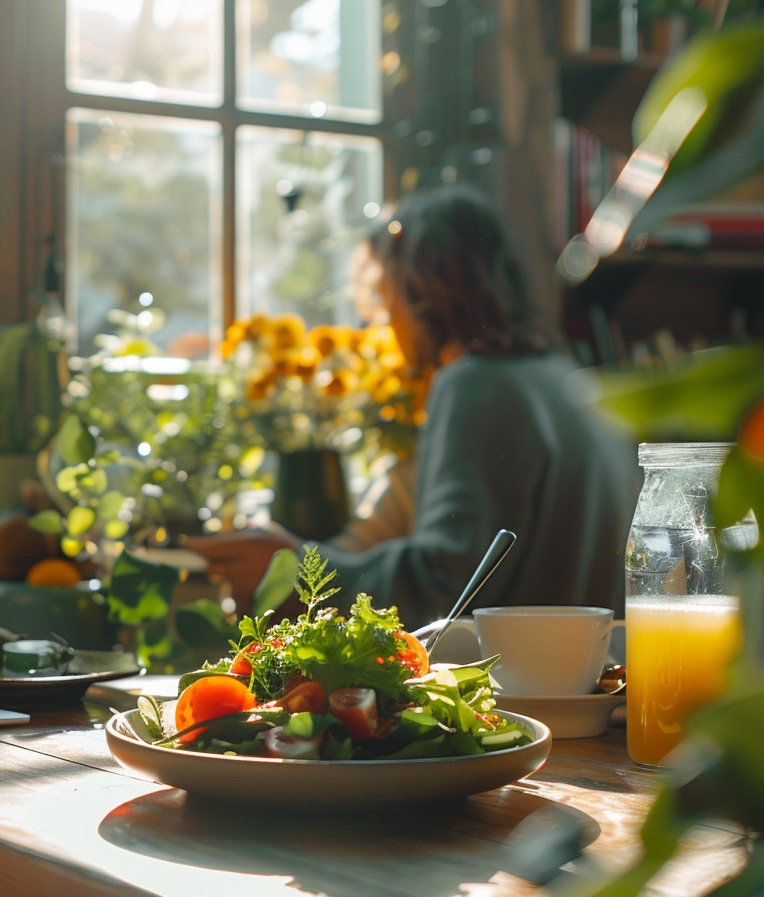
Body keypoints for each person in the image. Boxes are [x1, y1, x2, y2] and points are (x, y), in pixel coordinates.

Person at [187, 184, 640, 630]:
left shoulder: (476, 383)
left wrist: (294, 572)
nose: (384, 318)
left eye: (388, 293)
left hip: (512, 693)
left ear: (422, 287)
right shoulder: (568, 379)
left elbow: (443, 587)